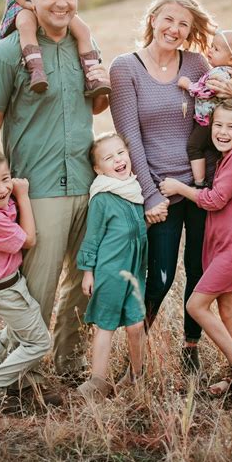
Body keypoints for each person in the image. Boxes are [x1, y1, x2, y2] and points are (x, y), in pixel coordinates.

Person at [0, 0, 111, 386]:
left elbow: (93, 106)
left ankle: (68, 365)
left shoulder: (85, 45)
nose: (61, 3)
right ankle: (14, 378)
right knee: (36, 296)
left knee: (85, 285)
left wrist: (105, 80)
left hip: (87, 181)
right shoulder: (6, 56)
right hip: (39, 190)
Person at [109, 0, 232, 373]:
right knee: (160, 277)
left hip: (202, 190)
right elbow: (129, 137)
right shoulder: (125, 67)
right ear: (152, 19)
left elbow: (229, 114)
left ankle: (190, 346)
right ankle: (136, 346)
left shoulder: (197, 64)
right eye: (168, 19)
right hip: (161, 194)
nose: (175, 28)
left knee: (198, 274)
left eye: (183, 23)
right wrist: (149, 195)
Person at [160, 99, 232, 395]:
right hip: (228, 247)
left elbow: (214, 199)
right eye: (217, 125)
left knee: (195, 305)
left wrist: (179, 188)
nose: (222, 131)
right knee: (228, 309)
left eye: (231, 127)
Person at [0, 145, 58, 413]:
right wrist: (23, 196)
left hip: (4, 283)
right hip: (4, 288)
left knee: (24, 322)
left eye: (6, 179)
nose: (3, 189)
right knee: (39, 341)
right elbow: (29, 240)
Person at [75, 133, 148, 401]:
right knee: (104, 325)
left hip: (135, 272)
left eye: (121, 153)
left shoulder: (134, 189)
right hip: (109, 272)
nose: (118, 160)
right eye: (109, 158)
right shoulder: (103, 197)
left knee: (136, 325)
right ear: (98, 169)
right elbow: (92, 238)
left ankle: (136, 376)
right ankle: (98, 380)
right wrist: (87, 272)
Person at [178, 29, 232, 187]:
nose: (210, 51)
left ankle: (199, 182)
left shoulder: (220, 74)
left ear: (231, 59)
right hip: (214, 120)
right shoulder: (229, 72)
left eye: (216, 49)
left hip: (209, 122)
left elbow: (206, 91)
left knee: (194, 147)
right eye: (211, 46)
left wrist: (188, 85)